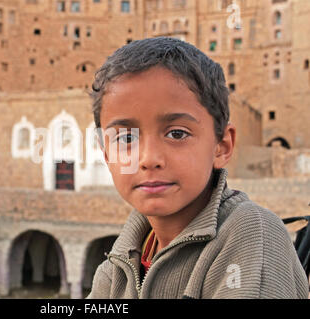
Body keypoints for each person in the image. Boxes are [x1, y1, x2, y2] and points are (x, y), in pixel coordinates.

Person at [87, 37, 308, 299]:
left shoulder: (252, 234)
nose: (148, 159)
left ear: (222, 146)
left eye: (177, 134)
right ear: (106, 154)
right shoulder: (116, 268)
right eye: (126, 139)